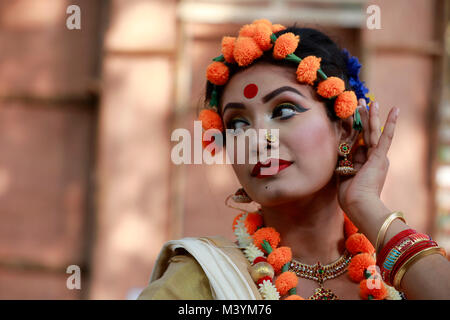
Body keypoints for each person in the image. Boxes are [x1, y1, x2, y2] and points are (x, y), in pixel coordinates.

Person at [138, 20, 450, 300]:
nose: (257, 139)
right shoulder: (200, 282)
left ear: (343, 128)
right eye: (237, 124)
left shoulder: (400, 278)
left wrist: (367, 205)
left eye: (284, 110)